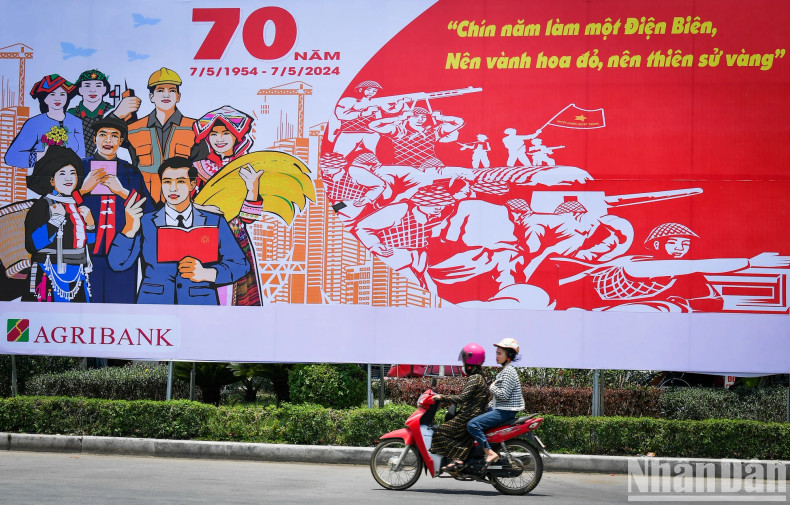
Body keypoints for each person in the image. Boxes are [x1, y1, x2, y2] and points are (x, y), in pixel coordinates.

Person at [107, 157, 249, 305]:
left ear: (192, 184)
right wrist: (129, 229)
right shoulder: (145, 222)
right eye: (167, 181)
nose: (173, 188)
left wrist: (206, 273)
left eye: (180, 181)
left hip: (200, 305)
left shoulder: (214, 221)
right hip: (154, 305)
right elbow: (117, 263)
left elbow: (240, 264)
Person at [192, 105, 263, 306]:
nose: (219, 139)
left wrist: (252, 189)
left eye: (225, 133)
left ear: (236, 136)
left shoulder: (248, 167)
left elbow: (248, 218)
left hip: (236, 238)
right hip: (204, 238)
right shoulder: (198, 169)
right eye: (214, 134)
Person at [80, 116, 152, 303]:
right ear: (95, 138)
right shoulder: (79, 167)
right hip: (85, 252)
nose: (108, 140)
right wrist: (83, 190)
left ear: (120, 141)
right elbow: (58, 202)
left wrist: (122, 192)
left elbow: (149, 211)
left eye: (114, 136)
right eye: (102, 135)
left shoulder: (131, 172)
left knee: (121, 305)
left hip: (122, 253)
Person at [24, 146, 95, 302]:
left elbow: (87, 246)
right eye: (62, 174)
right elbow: (32, 244)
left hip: (78, 273)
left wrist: (90, 225)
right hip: (49, 273)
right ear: (51, 179)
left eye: (72, 173)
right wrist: (54, 222)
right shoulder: (43, 205)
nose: (68, 178)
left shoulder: (77, 206)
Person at [118, 67, 196, 203]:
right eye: (160, 90)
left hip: (182, 201)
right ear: (151, 96)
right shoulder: (133, 129)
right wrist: (118, 113)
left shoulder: (194, 127)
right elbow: (103, 139)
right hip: (144, 201)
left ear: (178, 96)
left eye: (172, 91)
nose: (166, 95)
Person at [430, 343, 490, 472]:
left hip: (469, 415)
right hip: (473, 414)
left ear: (470, 362)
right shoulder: (480, 377)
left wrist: (442, 397)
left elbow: (462, 398)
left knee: (440, 432)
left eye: (464, 361)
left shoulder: (475, 378)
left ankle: (458, 458)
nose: (463, 364)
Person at [6, 74, 85, 170]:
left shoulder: (75, 122)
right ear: (44, 98)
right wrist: (43, 155)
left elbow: (81, 155)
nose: (57, 98)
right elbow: (11, 157)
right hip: (43, 176)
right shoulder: (34, 123)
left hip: (71, 177)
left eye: (62, 94)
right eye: (52, 94)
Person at [467, 338, 525, 468]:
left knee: (473, 424)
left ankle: (489, 452)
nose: (497, 356)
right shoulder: (505, 370)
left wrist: (492, 387)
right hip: (501, 409)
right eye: (496, 353)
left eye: (500, 353)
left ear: (508, 356)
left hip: (505, 412)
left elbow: (504, 395)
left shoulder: (509, 371)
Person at [68, 69, 115, 157]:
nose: (92, 90)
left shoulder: (112, 111)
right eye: (87, 86)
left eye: (98, 86)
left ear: (104, 89)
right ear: (80, 89)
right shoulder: (71, 114)